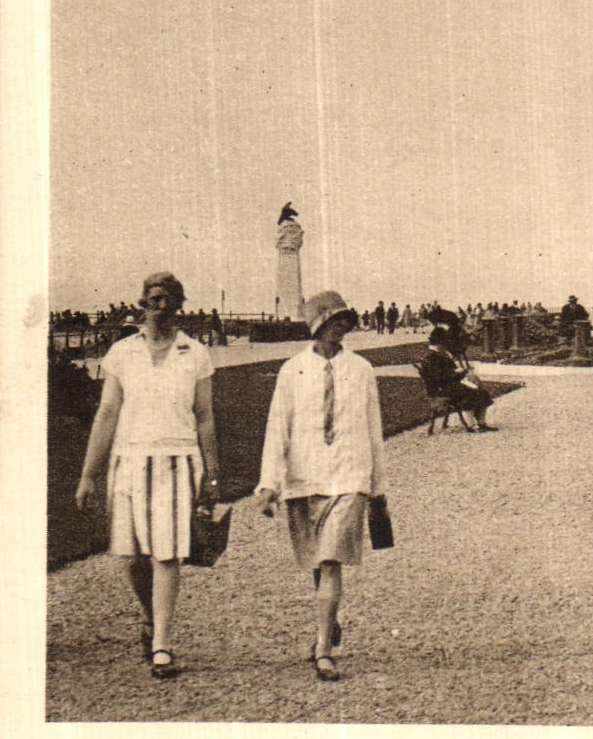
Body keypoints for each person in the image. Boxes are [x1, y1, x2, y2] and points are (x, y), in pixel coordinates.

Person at [74, 272, 220, 679]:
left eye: (169, 300)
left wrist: (212, 473)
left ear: (180, 305)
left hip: (178, 458)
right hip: (129, 459)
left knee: (167, 552)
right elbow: (107, 413)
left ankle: (162, 645)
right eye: (154, 299)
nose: (161, 307)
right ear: (142, 303)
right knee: (133, 555)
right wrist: (88, 474)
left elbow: (205, 417)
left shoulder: (195, 352)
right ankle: (150, 616)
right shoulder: (122, 352)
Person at [248, 291, 388, 682]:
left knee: (330, 559)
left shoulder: (361, 369)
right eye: (333, 321)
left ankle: (323, 648)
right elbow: (277, 428)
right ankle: (329, 618)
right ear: (317, 326)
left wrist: (378, 486)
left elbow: (374, 429)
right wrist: (268, 484)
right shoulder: (292, 370)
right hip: (304, 477)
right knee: (317, 560)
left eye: (344, 320)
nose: (340, 327)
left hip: (348, 475)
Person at [420, 325, 496, 431]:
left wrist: (458, 372)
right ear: (439, 343)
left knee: (481, 392)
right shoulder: (430, 357)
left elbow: (450, 371)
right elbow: (438, 377)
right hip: (440, 389)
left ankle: (481, 422)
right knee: (470, 392)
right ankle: (472, 425)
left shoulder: (441, 355)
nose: (446, 345)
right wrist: (456, 373)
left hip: (450, 384)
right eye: (445, 342)